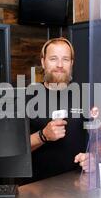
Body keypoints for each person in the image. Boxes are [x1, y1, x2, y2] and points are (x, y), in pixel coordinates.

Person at [27, 37, 90, 183]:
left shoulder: (85, 96)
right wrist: (43, 135)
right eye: (53, 59)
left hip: (77, 185)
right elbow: (15, 149)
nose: (60, 65)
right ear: (43, 62)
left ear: (72, 63)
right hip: (37, 188)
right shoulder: (27, 97)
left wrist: (93, 156)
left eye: (66, 59)